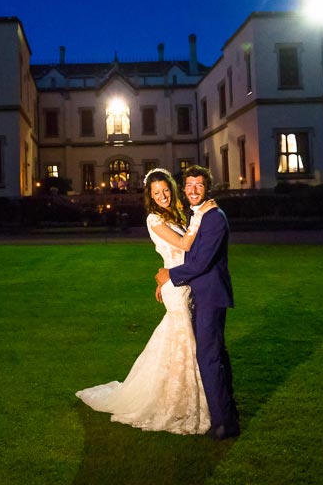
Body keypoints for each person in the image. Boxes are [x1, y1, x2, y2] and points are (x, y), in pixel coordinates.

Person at [75, 168, 215, 434]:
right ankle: (178, 400)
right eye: (156, 193)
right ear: (149, 196)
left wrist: (164, 275)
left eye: (165, 190)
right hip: (177, 286)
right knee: (184, 339)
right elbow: (185, 246)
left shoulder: (172, 214)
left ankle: (182, 393)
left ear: (171, 190)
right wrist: (201, 214)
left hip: (180, 281)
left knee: (180, 340)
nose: (162, 196)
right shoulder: (153, 219)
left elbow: (179, 253)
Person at [155, 165, 240, 440]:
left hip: (210, 295)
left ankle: (224, 424)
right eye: (189, 185)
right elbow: (189, 251)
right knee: (214, 354)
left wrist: (170, 275)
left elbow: (201, 262)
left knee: (209, 356)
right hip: (200, 293)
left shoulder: (214, 218)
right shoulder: (199, 215)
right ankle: (227, 414)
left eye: (198, 185)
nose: (192, 190)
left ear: (207, 189)